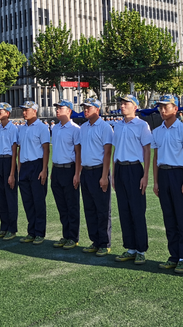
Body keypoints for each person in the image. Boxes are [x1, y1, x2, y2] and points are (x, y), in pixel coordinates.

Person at [152, 94, 183, 274]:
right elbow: (155, 158)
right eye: (161, 107)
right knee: (168, 217)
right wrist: (155, 182)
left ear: (175, 109)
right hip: (163, 174)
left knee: (181, 217)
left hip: (178, 174)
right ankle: (174, 255)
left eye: (166, 107)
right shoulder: (157, 131)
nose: (162, 110)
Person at [112, 94, 152, 266]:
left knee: (137, 210)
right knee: (124, 210)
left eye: (126, 103)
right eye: (121, 103)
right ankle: (130, 248)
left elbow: (147, 151)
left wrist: (145, 175)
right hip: (120, 169)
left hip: (135, 169)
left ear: (135, 107)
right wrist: (113, 174)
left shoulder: (142, 125)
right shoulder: (118, 125)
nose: (122, 106)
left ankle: (141, 250)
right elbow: (115, 150)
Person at [78, 98, 113, 257]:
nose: (85, 110)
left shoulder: (105, 127)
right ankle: (95, 241)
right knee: (89, 208)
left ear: (97, 109)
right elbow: (80, 151)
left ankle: (104, 243)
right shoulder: (83, 127)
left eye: (89, 107)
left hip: (99, 171)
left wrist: (104, 176)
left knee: (102, 209)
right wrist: (79, 173)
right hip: (86, 171)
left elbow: (107, 152)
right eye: (84, 107)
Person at [17, 101, 50, 245]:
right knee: (27, 201)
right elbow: (20, 149)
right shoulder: (22, 128)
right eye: (23, 110)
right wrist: (19, 168)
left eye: (27, 110)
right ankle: (31, 231)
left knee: (38, 201)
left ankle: (39, 233)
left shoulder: (42, 127)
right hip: (24, 166)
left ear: (34, 111)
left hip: (37, 165)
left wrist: (44, 169)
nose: (24, 112)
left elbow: (46, 149)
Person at [50, 99, 81, 250]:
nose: (57, 110)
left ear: (69, 111)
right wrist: (52, 170)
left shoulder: (75, 129)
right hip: (57, 169)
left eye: (60, 108)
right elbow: (55, 150)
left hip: (69, 169)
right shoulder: (55, 128)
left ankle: (73, 237)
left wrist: (77, 174)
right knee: (61, 205)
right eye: (57, 108)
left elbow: (78, 153)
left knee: (71, 205)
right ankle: (66, 234)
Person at [0, 102, 19, 241]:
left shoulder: (13, 129)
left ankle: (12, 228)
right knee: (1, 196)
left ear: (7, 113)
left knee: (10, 196)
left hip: (8, 162)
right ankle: (4, 226)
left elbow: (14, 152)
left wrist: (12, 173)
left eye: (0, 111)